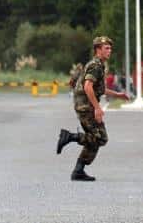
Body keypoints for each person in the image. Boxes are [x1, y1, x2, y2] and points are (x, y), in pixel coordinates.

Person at [56, 36, 130, 181]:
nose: (110, 51)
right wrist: (97, 108)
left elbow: (99, 89)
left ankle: (78, 170)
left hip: (86, 105)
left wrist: (118, 94)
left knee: (97, 139)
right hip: (85, 106)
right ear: (98, 50)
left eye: (110, 48)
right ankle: (70, 137)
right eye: (106, 48)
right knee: (101, 138)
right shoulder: (95, 65)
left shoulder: (99, 65)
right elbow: (88, 87)